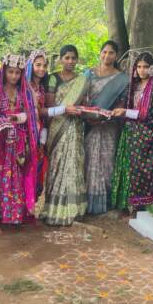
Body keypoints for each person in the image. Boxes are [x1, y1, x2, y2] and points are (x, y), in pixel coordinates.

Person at [0, 54, 39, 225]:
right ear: (4, 71)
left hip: (19, 141)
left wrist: (18, 118)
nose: (14, 76)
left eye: (17, 72)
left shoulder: (26, 92)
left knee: (18, 174)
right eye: (11, 72)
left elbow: (33, 115)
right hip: (0, 141)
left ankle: (16, 213)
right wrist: (2, 121)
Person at [111, 52, 153, 211]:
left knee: (141, 169)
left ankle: (140, 205)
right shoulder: (133, 86)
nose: (141, 70)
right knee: (128, 166)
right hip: (130, 132)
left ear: (152, 68)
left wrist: (125, 112)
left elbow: (147, 114)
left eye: (145, 67)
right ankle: (125, 203)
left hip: (147, 134)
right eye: (139, 67)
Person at [41, 45, 88, 226]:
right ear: (60, 59)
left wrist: (83, 109)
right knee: (57, 165)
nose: (70, 61)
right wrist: (65, 109)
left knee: (73, 165)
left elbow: (84, 104)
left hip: (75, 127)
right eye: (66, 58)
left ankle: (73, 210)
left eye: (73, 58)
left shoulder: (82, 80)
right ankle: (54, 209)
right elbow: (49, 106)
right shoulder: (52, 78)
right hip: (57, 127)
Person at [83, 41, 129, 215]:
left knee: (107, 160)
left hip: (109, 124)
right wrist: (88, 114)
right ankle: (86, 201)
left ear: (116, 56)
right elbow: (81, 96)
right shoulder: (88, 73)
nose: (107, 56)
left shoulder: (122, 79)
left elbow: (122, 102)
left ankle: (105, 202)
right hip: (89, 123)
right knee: (89, 159)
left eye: (111, 53)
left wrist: (107, 115)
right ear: (100, 53)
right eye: (104, 52)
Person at [25, 50, 49, 199]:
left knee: (38, 164)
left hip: (41, 131)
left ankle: (32, 199)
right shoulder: (25, 86)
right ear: (30, 65)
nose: (42, 68)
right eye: (38, 65)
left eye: (44, 65)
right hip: (27, 131)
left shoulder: (43, 87)